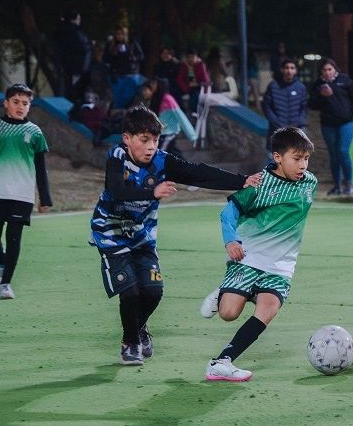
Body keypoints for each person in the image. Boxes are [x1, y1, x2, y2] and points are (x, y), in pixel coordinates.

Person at [89, 105, 261, 366]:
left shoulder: (161, 160)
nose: (150, 146)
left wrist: (241, 181)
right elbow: (117, 192)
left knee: (153, 291)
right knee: (131, 293)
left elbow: (198, 172)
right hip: (111, 234)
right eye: (144, 140)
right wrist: (153, 193)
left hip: (143, 236)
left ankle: (140, 327)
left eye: (155, 140)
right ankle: (130, 341)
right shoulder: (116, 157)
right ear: (127, 139)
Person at [199, 127, 317, 382]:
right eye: (296, 159)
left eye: (306, 159)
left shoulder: (310, 182)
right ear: (277, 157)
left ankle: (222, 362)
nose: (303, 165)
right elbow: (228, 213)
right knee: (228, 313)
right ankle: (223, 293)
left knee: (268, 308)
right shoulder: (258, 183)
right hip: (248, 259)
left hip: (281, 267)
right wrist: (231, 240)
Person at [0, 84, 52, 300]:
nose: (20, 106)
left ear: (29, 106)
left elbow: (41, 169)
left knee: (13, 238)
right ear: (6, 103)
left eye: (25, 103)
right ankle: (3, 261)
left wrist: (45, 198)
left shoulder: (34, 132)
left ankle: (5, 283)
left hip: (22, 196)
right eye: (16, 102)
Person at [309, 58, 353, 196]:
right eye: (324, 70)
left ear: (335, 70)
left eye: (329, 69)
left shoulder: (345, 80)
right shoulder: (318, 85)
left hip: (346, 122)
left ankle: (349, 184)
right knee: (333, 155)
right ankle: (337, 185)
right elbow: (312, 104)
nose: (327, 72)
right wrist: (322, 96)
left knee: (343, 151)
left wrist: (350, 112)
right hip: (328, 124)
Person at [261, 58, 307, 161]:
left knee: (296, 160)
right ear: (282, 70)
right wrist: (276, 122)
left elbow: (303, 108)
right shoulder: (273, 86)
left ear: (295, 70)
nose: (289, 70)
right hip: (277, 129)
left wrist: (300, 122)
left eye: (292, 68)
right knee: (275, 160)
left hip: (297, 129)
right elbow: (266, 106)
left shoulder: (301, 87)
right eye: (286, 68)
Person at [140, 77, 197, 158]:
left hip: (169, 131)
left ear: (160, 85)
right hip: (161, 132)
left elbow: (180, 116)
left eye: (155, 84)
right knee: (172, 151)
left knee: (159, 153)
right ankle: (185, 168)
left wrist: (191, 135)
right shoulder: (155, 99)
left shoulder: (168, 99)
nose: (153, 86)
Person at [54, 10, 92, 100]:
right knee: (75, 92)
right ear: (73, 20)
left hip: (67, 66)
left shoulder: (61, 31)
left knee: (68, 89)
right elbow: (83, 47)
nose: (80, 21)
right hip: (77, 67)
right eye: (78, 19)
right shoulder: (75, 32)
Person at [176, 48, 210, 116]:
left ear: (196, 57)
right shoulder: (184, 66)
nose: (190, 59)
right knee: (175, 93)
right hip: (187, 87)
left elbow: (205, 80)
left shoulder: (201, 65)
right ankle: (181, 111)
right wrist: (186, 88)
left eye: (192, 57)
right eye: (189, 57)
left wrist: (197, 84)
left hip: (198, 87)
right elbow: (179, 79)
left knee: (195, 94)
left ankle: (192, 112)